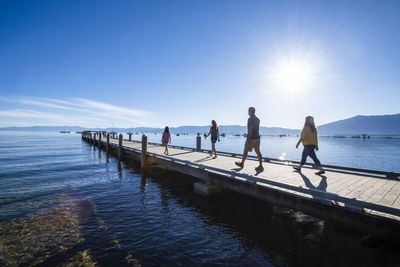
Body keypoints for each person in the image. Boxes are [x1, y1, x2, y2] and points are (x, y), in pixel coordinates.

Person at [235, 107, 264, 172]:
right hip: (257, 138)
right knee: (258, 152)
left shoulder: (250, 119)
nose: (248, 112)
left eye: (248, 111)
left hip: (252, 138)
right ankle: (260, 165)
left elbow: (250, 128)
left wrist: (249, 139)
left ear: (250, 111)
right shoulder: (257, 119)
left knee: (245, 151)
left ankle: (242, 164)